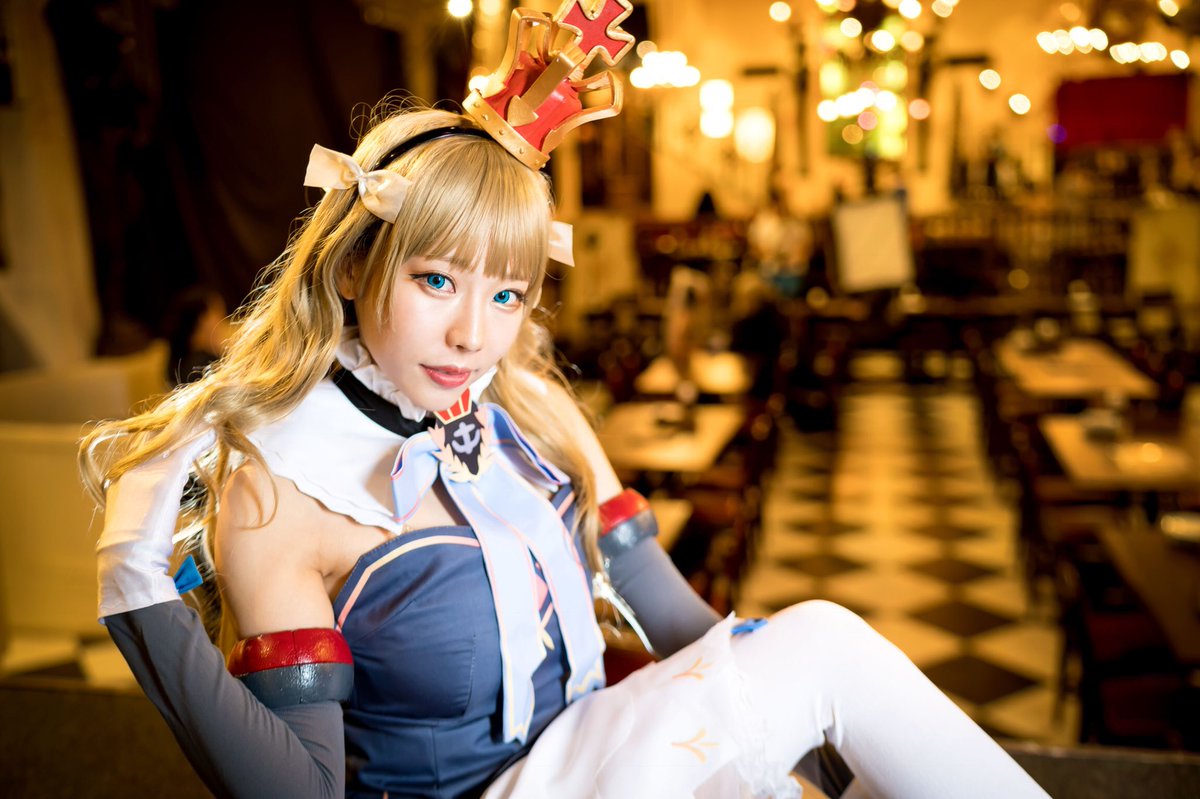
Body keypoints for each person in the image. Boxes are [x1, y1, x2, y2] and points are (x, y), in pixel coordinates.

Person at [80, 3, 1051, 798]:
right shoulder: (281, 486)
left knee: (823, 669)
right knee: (827, 641)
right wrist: (137, 592)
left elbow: (671, 618)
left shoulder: (526, 407)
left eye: (507, 293)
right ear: (351, 268)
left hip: (601, 755)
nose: (474, 334)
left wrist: (806, 755)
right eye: (435, 280)